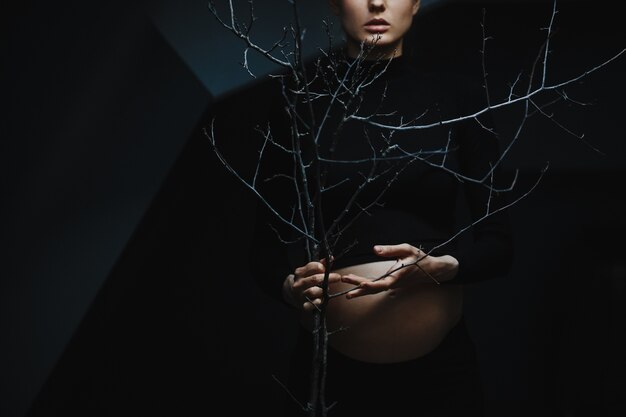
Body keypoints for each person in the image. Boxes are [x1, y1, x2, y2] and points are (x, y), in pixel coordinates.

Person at [248, 1, 514, 415]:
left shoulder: (457, 98)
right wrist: (287, 287)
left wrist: (444, 267)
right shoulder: (299, 101)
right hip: (327, 370)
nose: (377, 2)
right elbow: (260, 246)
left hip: (441, 375)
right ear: (336, 5)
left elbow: (501, 244)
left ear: (415, 3)